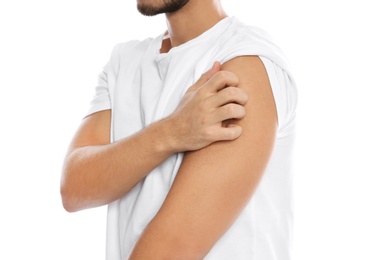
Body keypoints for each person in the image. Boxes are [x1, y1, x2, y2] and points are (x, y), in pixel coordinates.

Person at [60, 0, 298, 259]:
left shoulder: (246, 61)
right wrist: (172, 131)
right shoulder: (123, 62)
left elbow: (169, 252)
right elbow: (74, 188)